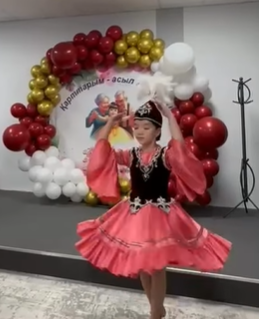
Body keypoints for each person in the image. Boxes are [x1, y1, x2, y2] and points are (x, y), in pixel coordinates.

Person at [76, 95, 231, 319]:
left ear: (157, 131)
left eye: (146, 127)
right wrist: (109, 123)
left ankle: (156, 312)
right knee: (143, 264)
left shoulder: (166, 155)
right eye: (136, 127)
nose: (139, 132)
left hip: (161, 215)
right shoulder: (131, 155)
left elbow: (179, 146)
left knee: (157, 267)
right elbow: (102, 148)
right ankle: (155, 308)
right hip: (135, 213)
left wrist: (169, 115)